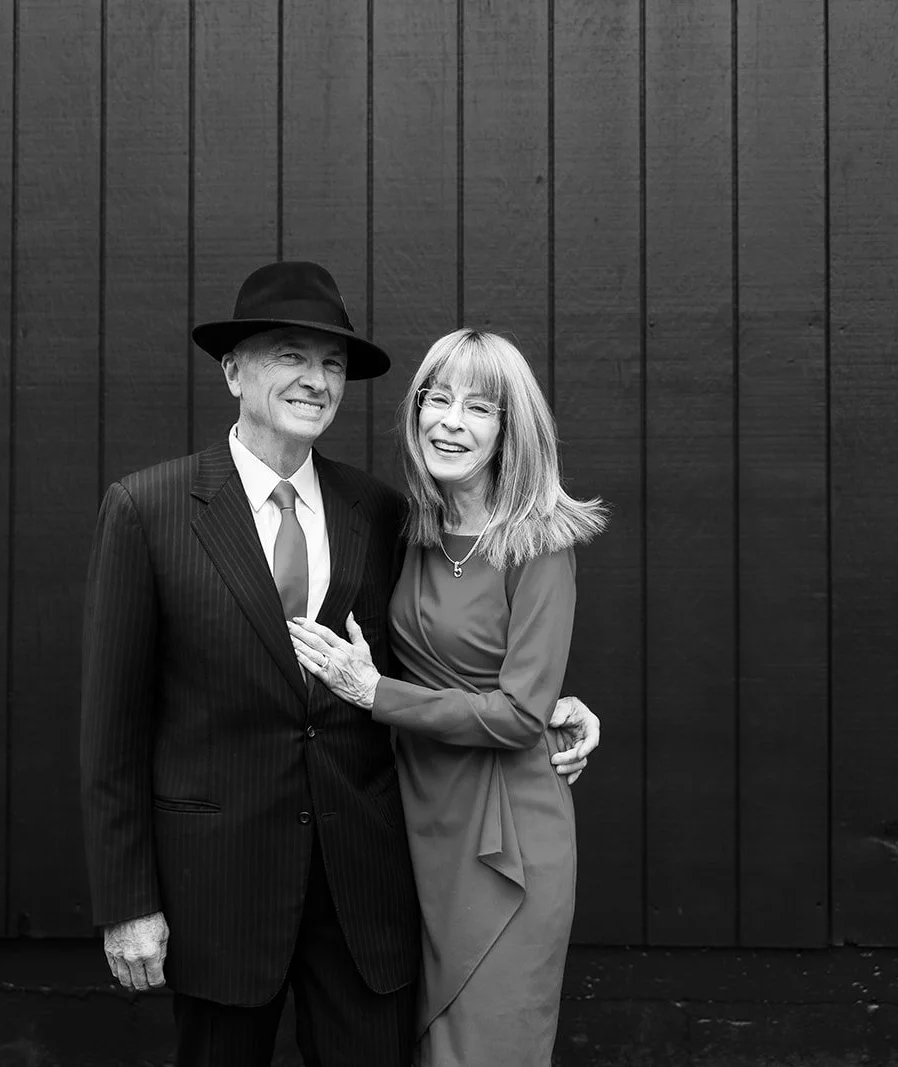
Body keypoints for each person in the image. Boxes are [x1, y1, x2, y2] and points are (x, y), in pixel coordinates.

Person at [79, 262, 600, 1067]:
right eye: (290, 355)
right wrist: (127, 902)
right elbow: (111, 729)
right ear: (233, 372)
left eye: (331, 363)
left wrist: (554, 702)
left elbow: (446, 650)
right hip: (221, 891)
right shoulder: (148, 510)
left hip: (368, 888)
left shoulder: (382, 514)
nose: (315, 379)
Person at [288, 328, 606, 1067]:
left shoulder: (540, 544)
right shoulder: (414, 529)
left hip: (507, 836)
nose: (451, 422)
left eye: (479, 408)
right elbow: (472, 668)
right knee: (429, 1043)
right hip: (422, 820)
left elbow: (519, 715)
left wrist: (375, 692)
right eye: (438, 399)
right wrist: (560, 700)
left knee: (489, 1044)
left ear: (509, 430)